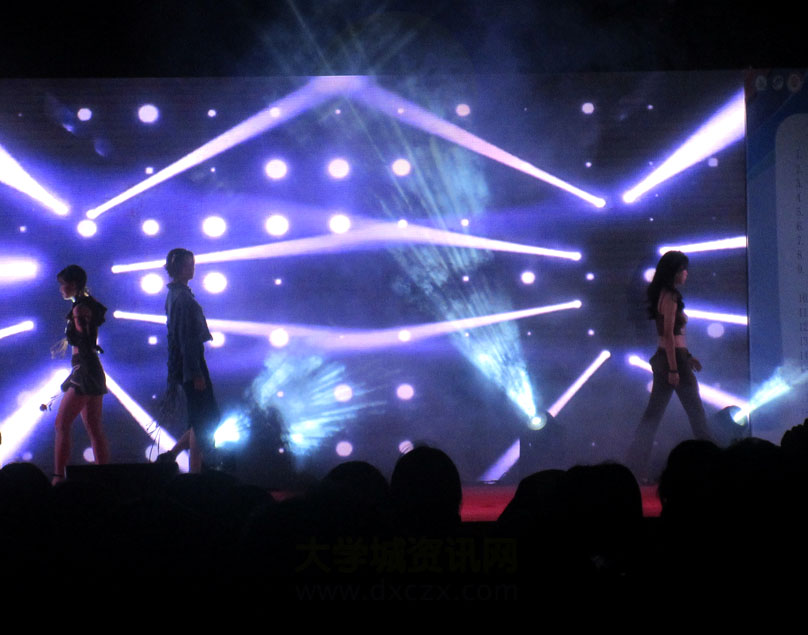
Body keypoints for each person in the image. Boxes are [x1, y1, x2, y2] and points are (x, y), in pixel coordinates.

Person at [627, 251, 711, 480]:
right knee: (696, 415)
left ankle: (634, 468)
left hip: (672, 359)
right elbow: (668, 336)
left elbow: (673, 336)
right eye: (683, 270)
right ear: (674, 272)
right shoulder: (670, 296)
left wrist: (688, 356)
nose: (686, 274)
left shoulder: (665, 295)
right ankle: (715, 465)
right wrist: (675, 368)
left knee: (653, 416)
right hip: (672, 361)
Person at [157, 248, 220, 473]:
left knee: (201, 418)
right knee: (203, 420)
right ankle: (194, 472)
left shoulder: (176, 294)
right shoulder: (181, 297)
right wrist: (195, 372)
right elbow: (186, 338)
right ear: (181, 267)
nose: (193, 268)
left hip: (187, 364)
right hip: (191, 364)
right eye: (190, 264)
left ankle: (175, 457)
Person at [52, 265, 110, 484]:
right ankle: (104, 476)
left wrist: (76, 373)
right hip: (89, 368)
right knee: (94, 427)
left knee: (61, 424)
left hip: (85, 369)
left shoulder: (80, 309)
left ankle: (58, 477)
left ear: (73, 284)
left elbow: (85, 342)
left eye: (63, 284)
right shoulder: (84, 306)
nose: (60, 289)